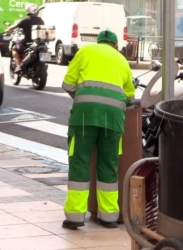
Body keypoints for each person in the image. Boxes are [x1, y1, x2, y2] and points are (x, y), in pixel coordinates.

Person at [61, 30, 135, 229]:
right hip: (114, 117)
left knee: (80, 161)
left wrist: (82, 97)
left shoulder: (85, 52)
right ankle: (109, 217)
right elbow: (129, 97)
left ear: (99, 41)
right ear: (115, 45)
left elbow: (67, 84)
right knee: (109, 164)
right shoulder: (121, 60)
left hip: (84, 114)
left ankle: (75, 217)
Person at [5, 3, 44, 73]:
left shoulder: (26, 20)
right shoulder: (40, 20)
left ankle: (18, 65)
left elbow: (15, 26)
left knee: (14, 49)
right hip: (39, 43)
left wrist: (8, 30)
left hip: (27, 43)